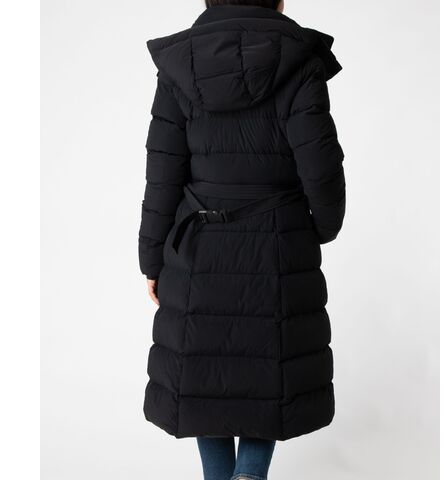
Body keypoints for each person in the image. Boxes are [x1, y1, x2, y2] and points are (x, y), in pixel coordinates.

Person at [138, 0, 345, 478]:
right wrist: (319, 228)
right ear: (278, 0)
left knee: (205, 369)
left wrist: (151, 258)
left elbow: (162, 174)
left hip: (197, 249)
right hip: (277, 243)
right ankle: (249, 474)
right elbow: (321, 166)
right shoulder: (298, 60)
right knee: (268, 367)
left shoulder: (180, 65)